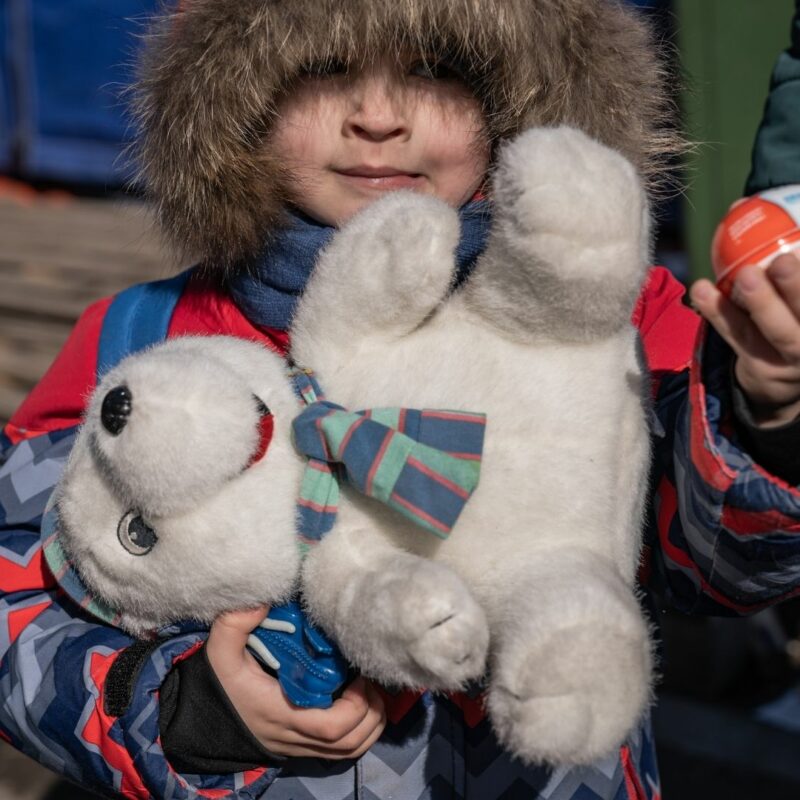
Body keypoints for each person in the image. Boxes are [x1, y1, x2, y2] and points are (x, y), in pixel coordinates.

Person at [1, 1, 800, 798]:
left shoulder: (613, 328)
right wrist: (179, 708)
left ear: (517, 100)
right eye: (324, 68)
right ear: (235, 100)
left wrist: (768, 421)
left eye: (434, 69)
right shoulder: (146, 342)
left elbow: (725, 569)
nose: (378, 118)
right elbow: (15, 593)